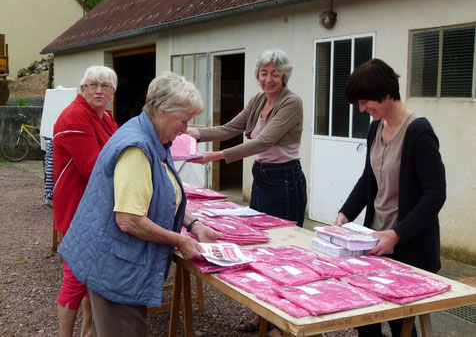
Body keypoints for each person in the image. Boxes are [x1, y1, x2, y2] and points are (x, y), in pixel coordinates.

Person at [57, 72, 221, 337]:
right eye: (183, 120)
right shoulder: (138, 146)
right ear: (161, 110)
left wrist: (193, 223)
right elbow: (129, 220)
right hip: (116, 269)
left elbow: (163, 194)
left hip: (115, 265)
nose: (185, 129)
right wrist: (179, 240)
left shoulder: (154, 135)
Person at [188, 49, 307, 336]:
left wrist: (213, 157)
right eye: (264, 73)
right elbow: (232, 128)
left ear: (284, 76)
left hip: (285, 181)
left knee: (284, 253)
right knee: (261, 250)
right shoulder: (258, 100)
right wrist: (196, 133)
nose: (268, 79)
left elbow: (263, 142)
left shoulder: (292, 103)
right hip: (263, 178)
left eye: (274, 74)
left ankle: (281, 324)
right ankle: (261, 315)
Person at [335, 58, 446, 337]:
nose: (362, 109)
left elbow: (436, 195)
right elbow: (369, 179)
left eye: (364, 102)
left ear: (385, 94)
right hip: (375, 241)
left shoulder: (419, 132)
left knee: (401, 324)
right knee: (365, 316)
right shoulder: (377, 127)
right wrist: (345, 213)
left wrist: (397, 234)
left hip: (410, 247)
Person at [53, 66, 119, 337]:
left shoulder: (104, 117)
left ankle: (88, 331)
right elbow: (94, 167)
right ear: (82, 89)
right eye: (92, 85)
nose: (99, 90)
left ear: (113, 92)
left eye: (105, 86)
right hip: (78, 208)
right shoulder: (74, 117)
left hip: (95, 207)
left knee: (91, 276)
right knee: (76, 276)